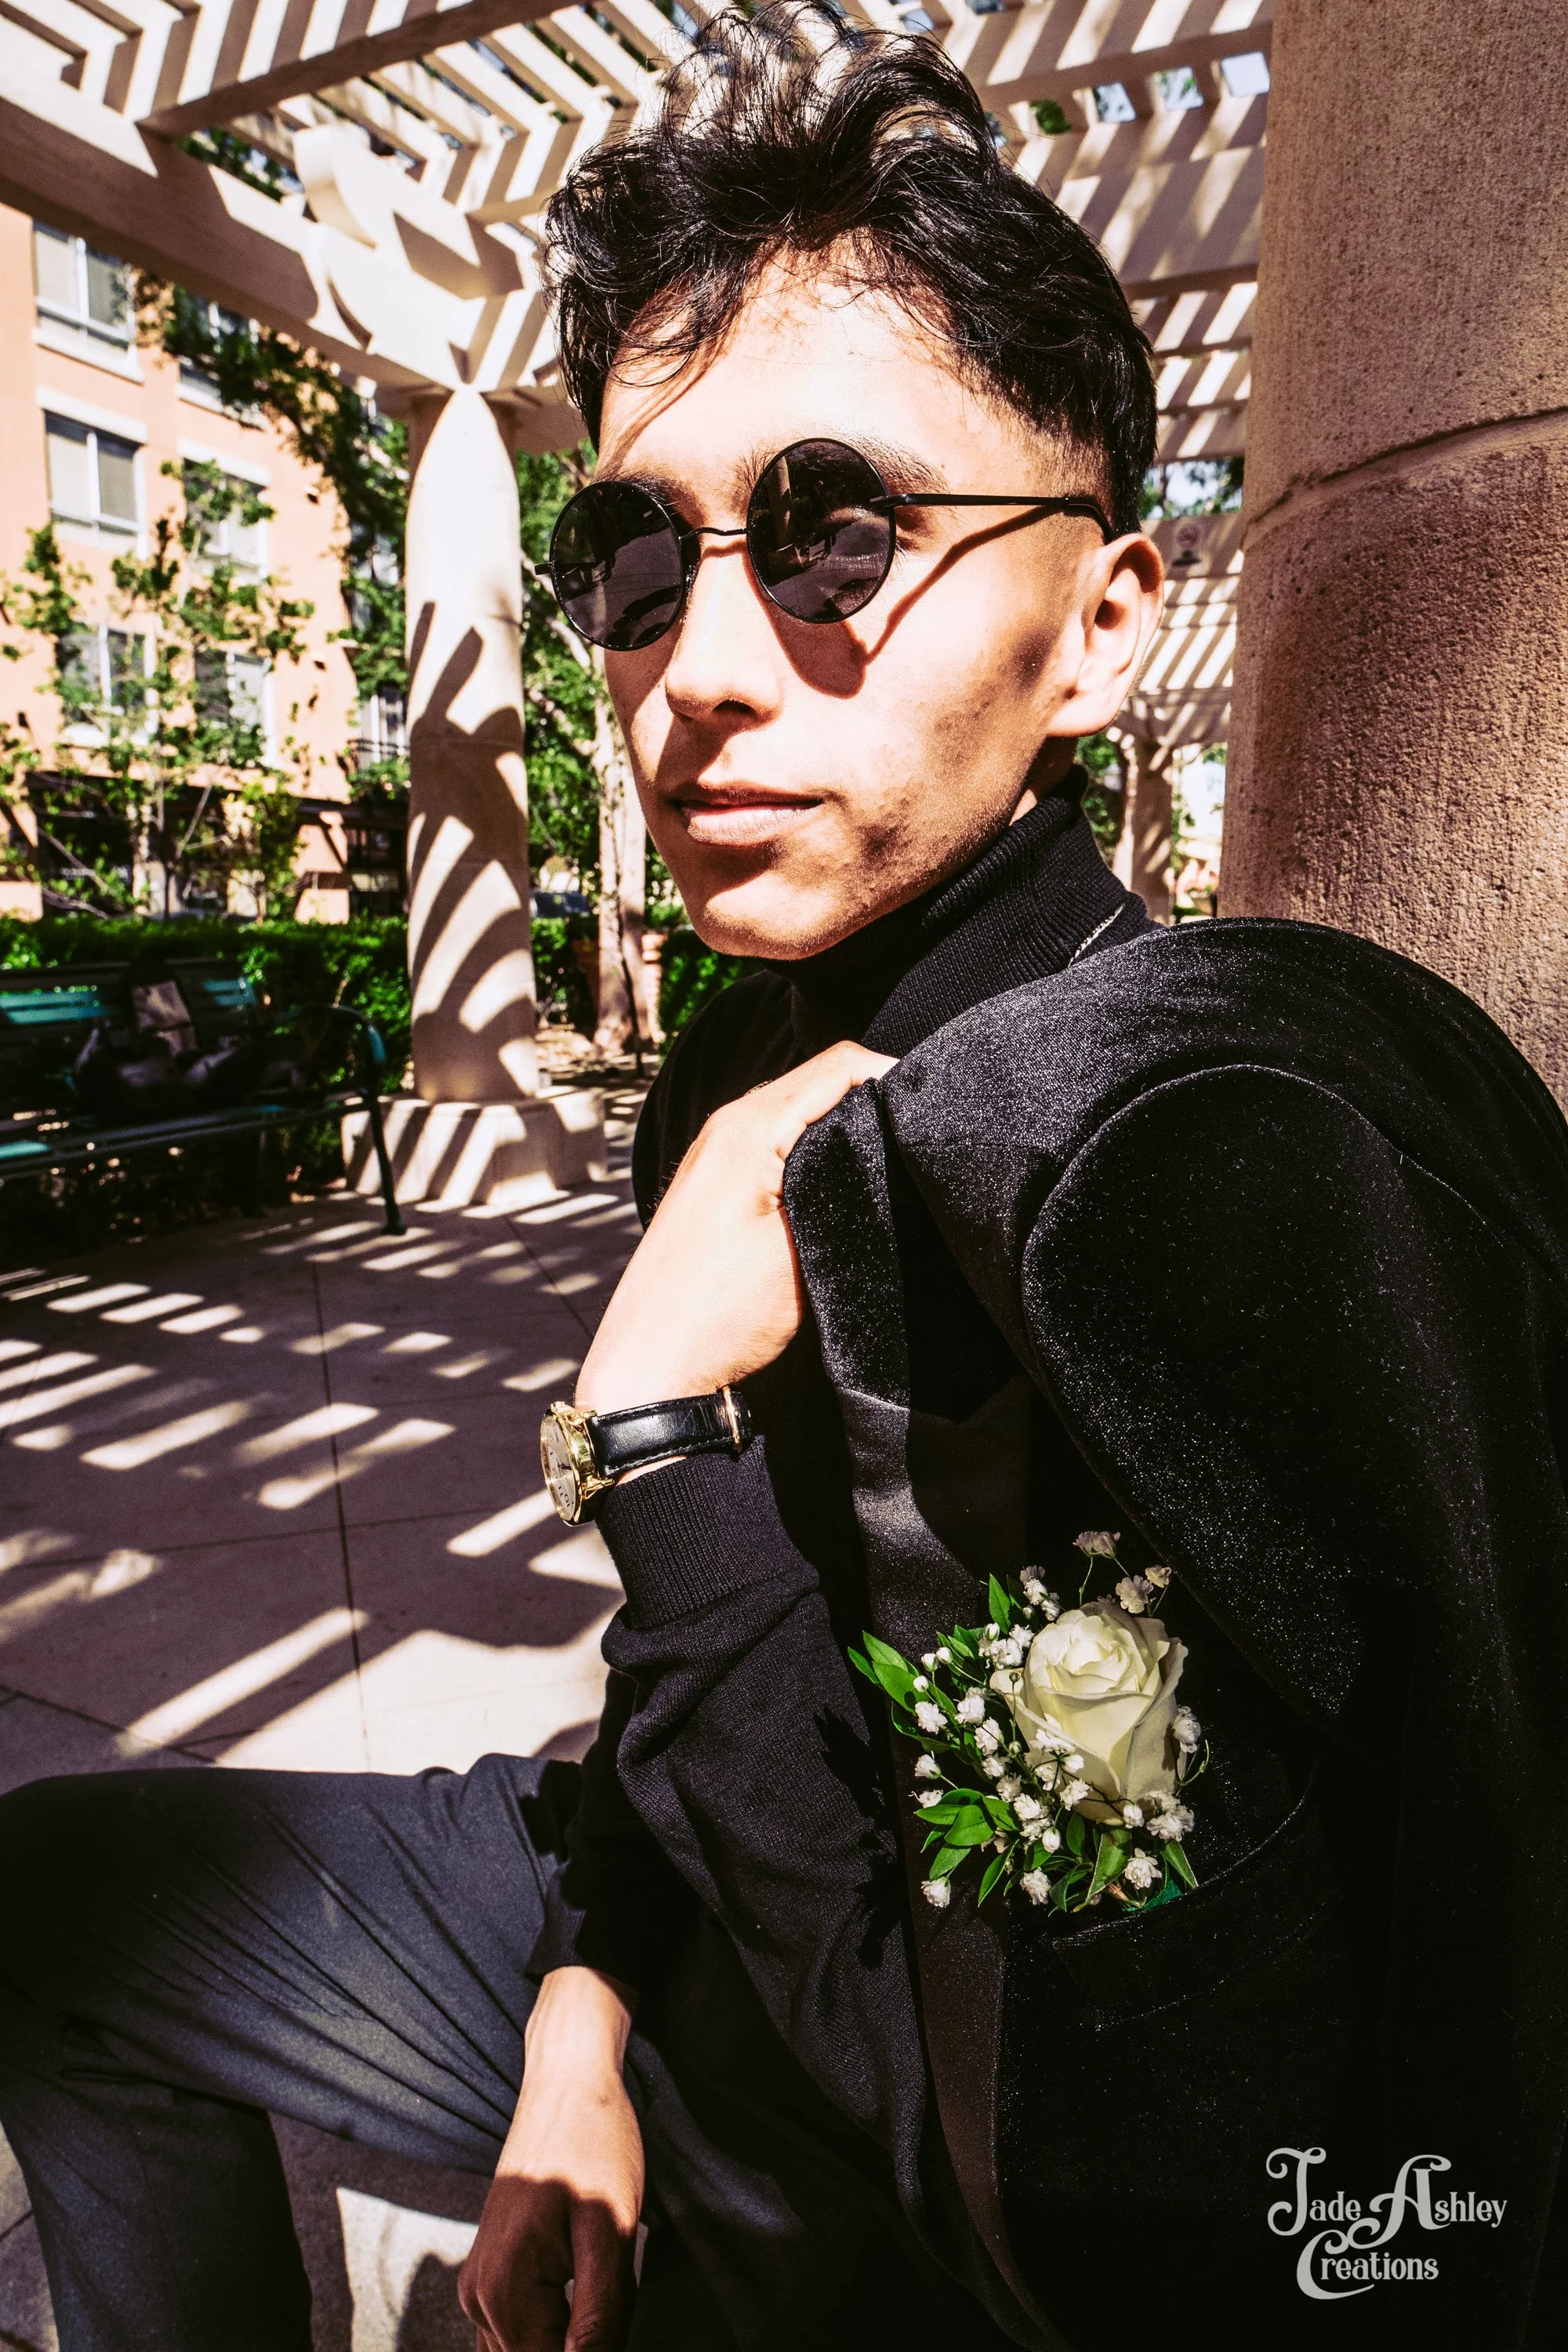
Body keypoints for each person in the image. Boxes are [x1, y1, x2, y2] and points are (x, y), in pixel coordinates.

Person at [2, 9, 1566, 2351]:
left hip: (873, 2153)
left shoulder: (1150, 1188)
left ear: (1107, 626)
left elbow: (1097, 2172)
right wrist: (578, 2018)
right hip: (648, 1911)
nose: (700, 667)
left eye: (838, 533)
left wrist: (650, 1439)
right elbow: (674, 1701)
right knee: (46, 1911)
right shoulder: (746, 1038)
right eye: (638, 554)